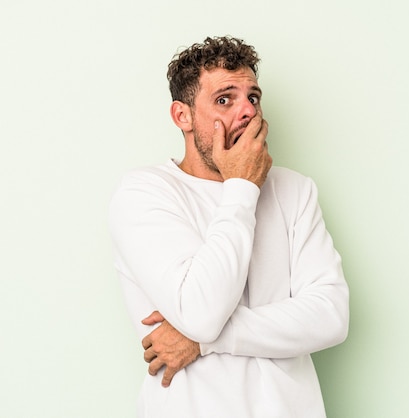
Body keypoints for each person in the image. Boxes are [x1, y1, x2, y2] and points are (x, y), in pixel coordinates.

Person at [109, 35, 349, 418]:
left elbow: (331, 316)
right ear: (182, 116)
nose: (248, 112)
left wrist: (203, 342)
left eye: (253, 97)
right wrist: (241, 186)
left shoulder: (295, 190)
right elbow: (201, 311)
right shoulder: (144, 193)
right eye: (225, 99)